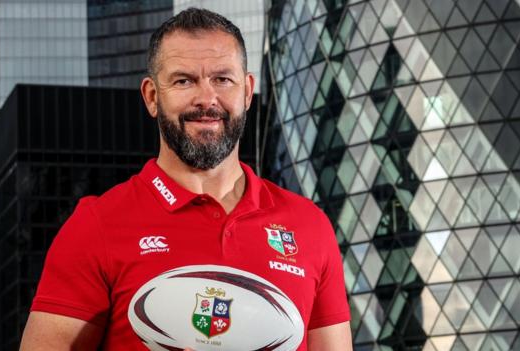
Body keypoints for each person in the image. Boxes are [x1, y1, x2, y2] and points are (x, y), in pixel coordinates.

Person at [19, 8, 352, 351]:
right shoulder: (96, 226)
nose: (206, 99)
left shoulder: (309, 226)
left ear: (248, 91)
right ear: (152, 96)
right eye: (184, 80)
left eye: (222, 79)